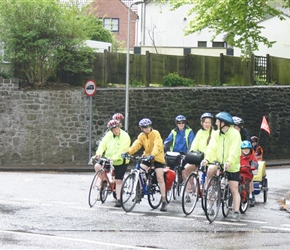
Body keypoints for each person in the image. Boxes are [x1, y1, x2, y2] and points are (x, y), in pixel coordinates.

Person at [201, 112, 242, 222]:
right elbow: (211, 147)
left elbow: (234, 150)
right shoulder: (216, 134)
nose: (216, 123)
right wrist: (207, 159)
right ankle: (210, 198)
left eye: (218, 121)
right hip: (218, 162)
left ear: (224, 123)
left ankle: (236, 210)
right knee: (210, 169)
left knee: (234, 188)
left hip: (232, 164)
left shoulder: (235, 134)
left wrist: (229, 162)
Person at [122, 118, 168, 212]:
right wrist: (128, 152)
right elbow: (136, 145)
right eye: (143, 127)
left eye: (147, 127)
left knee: (160, 177)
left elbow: (157, 145)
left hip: (157, 157)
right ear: (141, 128)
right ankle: (139, 193)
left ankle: (164, 200)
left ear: (150, 126)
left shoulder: (156, 133)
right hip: (147, 156)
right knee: (140, 171)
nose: (146, 129)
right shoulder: (141, 136)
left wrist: (153, 155)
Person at [93, 119, 131, 207]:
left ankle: (118, 199)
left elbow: (123, 150)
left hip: (121, 160)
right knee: (97, 166)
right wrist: (98, 153)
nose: (115, 131)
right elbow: (102, 144)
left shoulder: (125, 136)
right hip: (108, 157)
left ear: (119, 127)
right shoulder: (109, 135)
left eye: (117, 128)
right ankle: (105, 181)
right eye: (113, 130)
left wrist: (113, 158)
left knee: (118, 180)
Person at [184, 112, 215, 183]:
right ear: (202, 123)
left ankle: (208, 190)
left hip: (210, 160)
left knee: (210, 174)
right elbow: (194, 145)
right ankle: (191, 189)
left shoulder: (214, 133)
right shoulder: (199, 132)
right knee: (187, 168)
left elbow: (213, 148)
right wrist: (192, 155)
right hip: (199, 158)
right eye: (205, 122)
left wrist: (207, 159)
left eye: (209, 123)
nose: (207, 124)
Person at [164, 115, 195, 180]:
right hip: (174, 154)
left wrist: (188, 153)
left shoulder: (189, 131)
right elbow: (167, 142)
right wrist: (166, 151)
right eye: (179, 123)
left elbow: (191, 143)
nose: (181, 124)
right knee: (168, 171)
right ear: (176, 124)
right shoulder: (173, 131)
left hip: (184, 154)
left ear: (185, 123)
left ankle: (186, 187)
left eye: (182, 122)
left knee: (184, 171)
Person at [240, 140, 259, 207]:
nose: (246, 150)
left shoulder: (252, 157)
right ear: (241, 149)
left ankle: (246, 197)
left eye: (247, 149)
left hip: (247, 174)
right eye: (244, 149)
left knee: (246, 184)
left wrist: (253, 167)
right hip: (238, 173)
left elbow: (255, 163)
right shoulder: (239, 157)